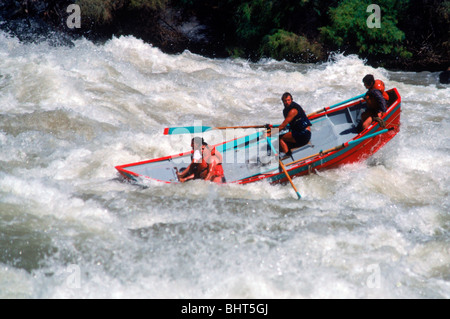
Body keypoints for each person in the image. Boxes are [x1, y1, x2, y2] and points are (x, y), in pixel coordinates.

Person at [277, 92, 312, 156]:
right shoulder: (287, 109)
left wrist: (270, 133)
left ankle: (287, 156)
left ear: (292, 100)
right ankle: (287, 151)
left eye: (288, 100)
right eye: (285, 101)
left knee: (280, 138)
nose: (287, 102)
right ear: (282, 101)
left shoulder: (293, 110)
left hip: (304, 134)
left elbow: (282, 126)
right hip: (301, 133)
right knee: (282, 145)